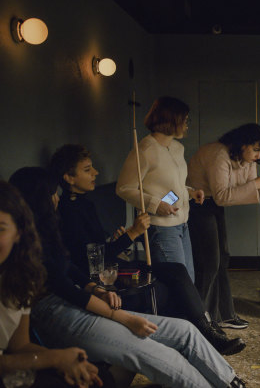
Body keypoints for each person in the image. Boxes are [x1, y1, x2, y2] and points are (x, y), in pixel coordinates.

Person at [9, 167, 246, 388]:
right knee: (158, 354)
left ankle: (231, 382)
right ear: (40, 200)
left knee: (185, 330)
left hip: (75, 300)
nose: (56, 198)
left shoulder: (43, 230)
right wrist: (123, 317)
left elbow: (67, 267)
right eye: (52, 193)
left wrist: (95, 288)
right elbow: (64, 287)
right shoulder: (23, 244)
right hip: (56, 313)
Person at [49, 144, 245, 355]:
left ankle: (207, 330)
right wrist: (131, 234)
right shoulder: (69, 211)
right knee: (173, 284)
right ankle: (204, 337)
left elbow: (97, 248)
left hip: (112, 263)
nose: (95, 172)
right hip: (101, 276)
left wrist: (118, 239)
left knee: (177, 271)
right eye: (87, 170)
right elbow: (93, 260)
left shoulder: (83, 203)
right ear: (69, 178)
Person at [0, 181, 105, 388]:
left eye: (0, 229)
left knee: (96, 378)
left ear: (19, 232)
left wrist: (67, 360)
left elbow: (18, 345)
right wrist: (55, 359)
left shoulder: (21, 276)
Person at [187, 123, 260, 329]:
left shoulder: (245, 157)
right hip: (198, 203)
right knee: (209, 263)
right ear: (241, 144)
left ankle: (224, 315)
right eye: (255, 149)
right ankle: (202, 320)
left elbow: (249, 185)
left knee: (222, 258)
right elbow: (223, 196)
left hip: (213, 204)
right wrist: (257, 184)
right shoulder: (219, 154)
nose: (258, 155)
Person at [117, 96, 204, 284]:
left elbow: (174, 184)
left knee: (188, 280)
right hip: (161, 228)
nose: (187, 124)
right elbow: (124, 188)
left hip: (182, 223)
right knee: (178, 286)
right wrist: (156, 205)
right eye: (185, 119)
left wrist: (190, 192)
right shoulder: (145, 150)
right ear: (172, 119)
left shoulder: (177, 148)